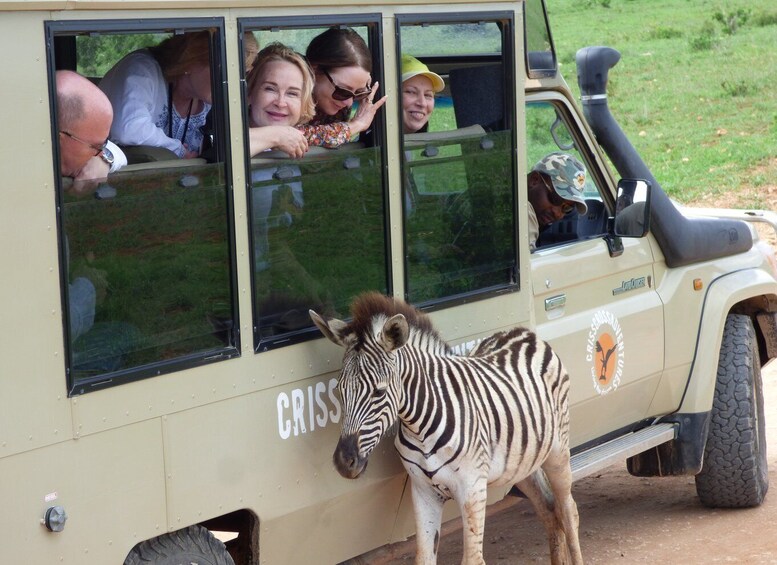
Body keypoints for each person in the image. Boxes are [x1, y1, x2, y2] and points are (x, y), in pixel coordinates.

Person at [100, 31, 259, 159]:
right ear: (190, 61)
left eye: (242, 73)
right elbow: (129, 129)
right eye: (224, 71)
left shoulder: (209, 98)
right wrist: (177, 149)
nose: (231, 82)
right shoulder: (142, 70)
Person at [302, 27, 387, 148]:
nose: (349, 102)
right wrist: (355, 126)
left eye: (359, 93)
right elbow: (290, 138)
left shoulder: (339, 103)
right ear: (314, 70)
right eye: (343, 91)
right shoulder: (289, 96)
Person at [56, 70, 127, 185]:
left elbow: (119, 155)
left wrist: (104, 162)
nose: (99, 154)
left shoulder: (87, 144)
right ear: (58, 137)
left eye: (101, 146)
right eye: (95, 147)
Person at [246, 43, 315, 158]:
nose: (280, 103)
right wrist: (276, 136)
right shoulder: (221, 134)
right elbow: (229, 150)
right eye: (270, 89)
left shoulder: (299, 138)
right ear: (249, 92)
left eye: (292, 93)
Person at [528, 152, 588, 250]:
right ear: (534, 180)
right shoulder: (523, 211)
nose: (557, 214)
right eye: (556, 199)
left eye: (567, 208)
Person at [400, 54, 444, 134]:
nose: (422, 103)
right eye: (411, 92)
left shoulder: (427, 146)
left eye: (428, 95)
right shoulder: (371, 145)